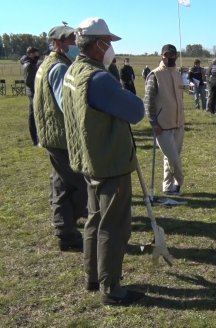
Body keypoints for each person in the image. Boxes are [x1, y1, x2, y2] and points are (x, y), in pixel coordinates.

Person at [63, 17, 145, 305]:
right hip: (109, 162)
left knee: (95, 220)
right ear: (98, 44)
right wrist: (121, 85)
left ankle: (93, 276)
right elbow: (136, 111)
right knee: (115, 225)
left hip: (88, 159)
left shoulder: (73, 72)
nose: (110, 47)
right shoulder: (99, 79)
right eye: (108, 42)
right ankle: (111, 288)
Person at [33, 25, 87, 252]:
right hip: (61, 137)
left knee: (61, 184)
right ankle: (66, 228)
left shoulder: (47, 64)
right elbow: (66, 104)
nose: (75, 43)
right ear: (57, 43)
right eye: (71, 40)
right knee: (80, 186)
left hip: (51, 134)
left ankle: (64, 231)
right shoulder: (58, 68)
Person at [143, 44, 185, 196]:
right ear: (162, 56)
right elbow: (148, 101)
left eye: (172, 55)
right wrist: (153, 122)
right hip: (163, 125)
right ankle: (180, 180)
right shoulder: (155, 75)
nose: (169, 58)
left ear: (176, 56)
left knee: (171, 158)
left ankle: (168, 186)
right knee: (173, 158)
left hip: (179, 124)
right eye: (166, 55)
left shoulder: (178, 74)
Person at [20, 46, 40, 145]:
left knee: (33, 115)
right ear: (31, 54)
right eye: (35, 53)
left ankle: (36, 138)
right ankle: (35, 139)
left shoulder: (30, 63)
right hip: (32, 92)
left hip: (31, 91)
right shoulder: (29, 65)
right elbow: (29, 81)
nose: (37, 55)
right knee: (33, 115)